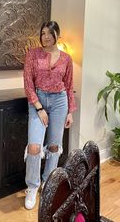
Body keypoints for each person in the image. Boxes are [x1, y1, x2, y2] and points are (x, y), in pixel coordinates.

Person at [23, 20, 76, 210]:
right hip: (38, 101)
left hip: (60, 102)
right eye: (43, 33)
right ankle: (32, 186)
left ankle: (48, 183)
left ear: (57, 35)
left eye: (49, 33)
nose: (45, 36)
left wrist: (70, 111)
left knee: (54, 146)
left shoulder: (67, 59)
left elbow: (69, 86)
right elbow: (28, 83)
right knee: (35, 146)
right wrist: (39, 108)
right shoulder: (33, 54)